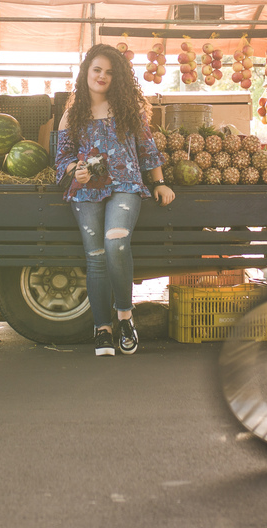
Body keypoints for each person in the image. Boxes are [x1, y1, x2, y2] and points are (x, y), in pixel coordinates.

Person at [56, 44, 175, 357]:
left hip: (125, 184)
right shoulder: (72, 114)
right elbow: (62, 157)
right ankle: (102, 329)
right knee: (95, 256)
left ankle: (124, 317)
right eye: (97, 69)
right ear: (86, 73)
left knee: (115, 242)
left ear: (117, 78)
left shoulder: (127, 109)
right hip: (85, 190)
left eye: (109, 72)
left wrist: (159, 182)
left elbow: (148, 149)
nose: (102, 76)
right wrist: (75, 169)